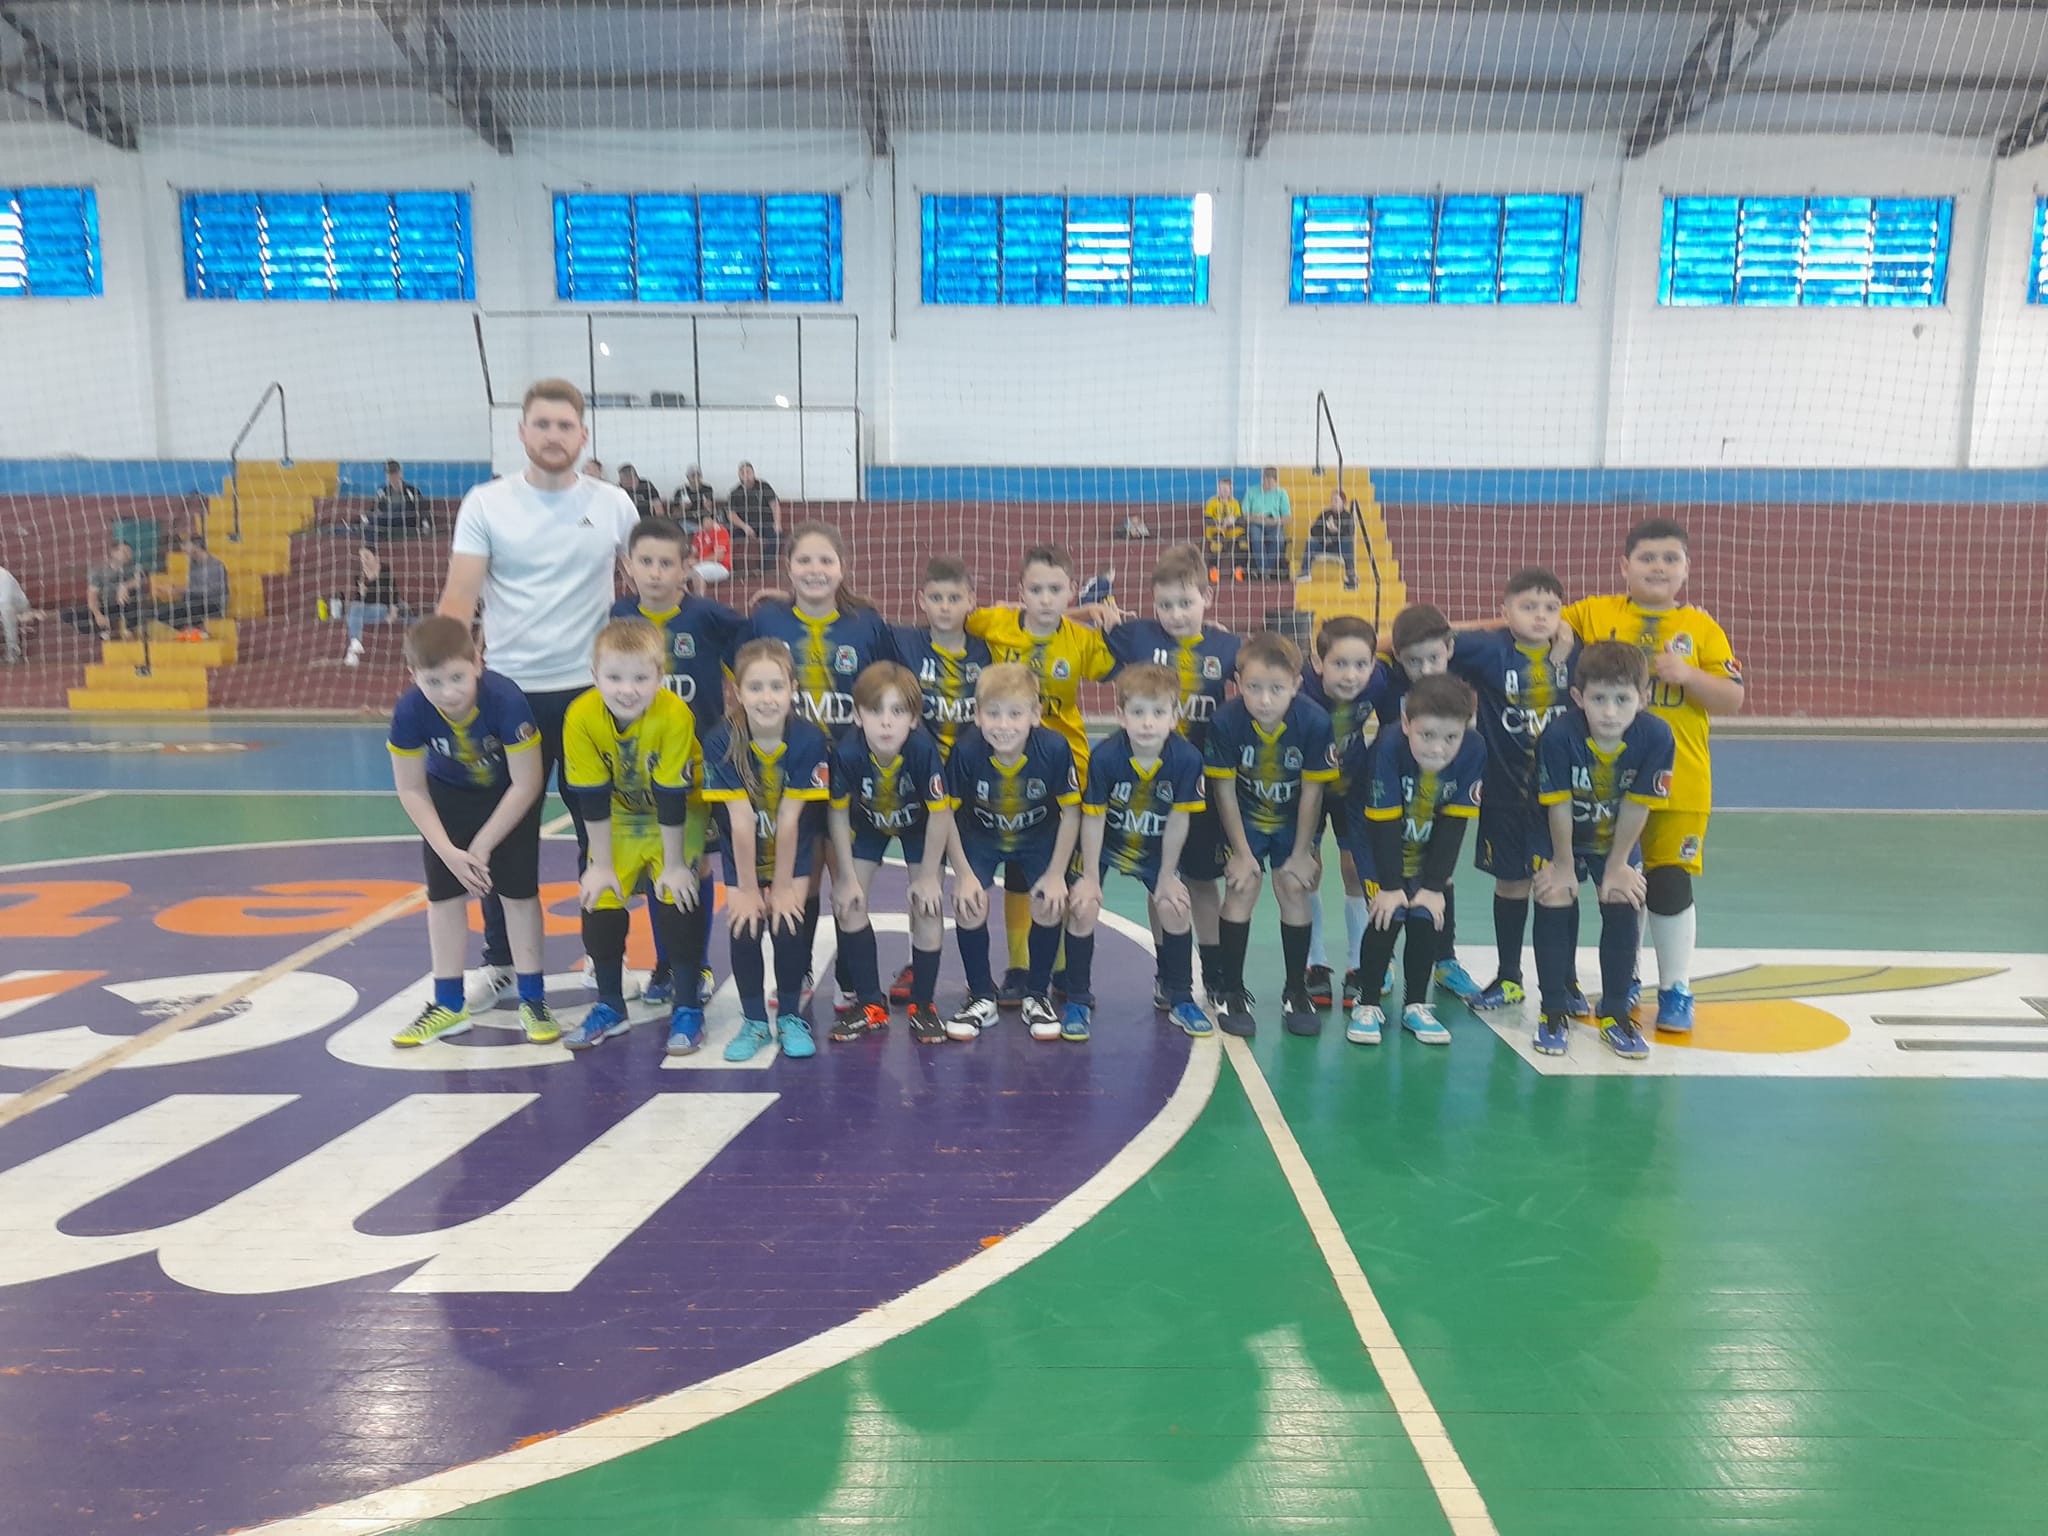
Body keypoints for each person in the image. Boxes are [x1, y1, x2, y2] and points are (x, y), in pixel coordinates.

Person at [438, 378, 640, 1014]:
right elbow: (459, 598)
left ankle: (602, 958)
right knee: (504, 837)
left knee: (600, 835)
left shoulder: (613, 504)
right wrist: (445, 684)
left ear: (584, 435)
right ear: (522, 432)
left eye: (565, 426)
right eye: (543, 424)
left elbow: (650, 588)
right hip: (507, 697)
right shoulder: (487, 503)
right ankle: (501, 960)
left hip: (592, 698)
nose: (554, 436)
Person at [1560, 517, 1743, 1033]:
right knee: (1618, 882)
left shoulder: (1702, 628)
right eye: (1646, 558)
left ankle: (1676, 988)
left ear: (1686, 568)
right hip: (1605, 783)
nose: (1658, 567)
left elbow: (1732, 698)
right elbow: (1538, 622)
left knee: (1669, 882)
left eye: (1670, 558)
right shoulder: (1595, 612)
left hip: (1680, 782)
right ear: (1624, 565)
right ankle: (1625, 979)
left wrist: (1690, 675)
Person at [742, 522, 903, 1017]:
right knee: (804, 878)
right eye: (804, 561)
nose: (815, 570)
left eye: (825, 561)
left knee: (850, 879)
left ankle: (853, 981)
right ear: (788, 567)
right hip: (792, 776)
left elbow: (888, 686)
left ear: (842, 567)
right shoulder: (767, 619)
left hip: (852, 775)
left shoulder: (866, 625)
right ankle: (801, 969)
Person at [385, 616, 558, 1048]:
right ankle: (448, 1004)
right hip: (448, 800)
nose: (449, 692)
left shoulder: (506, 700)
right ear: (414, 676)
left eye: (457, 678)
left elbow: (528, 783)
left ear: (478, 662)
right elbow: (410, 789)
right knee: (443, 898)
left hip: (507, 799)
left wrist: (482, 845)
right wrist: (447, 851)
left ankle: (533, 998)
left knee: (519, 895)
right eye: (434, 682)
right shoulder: (410, 710)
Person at [965, 543, 1116, 1004]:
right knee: (1018, 868)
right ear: (1020, 592)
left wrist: (1095, 616)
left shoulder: (1082, 640)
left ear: (1072, 590)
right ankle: (1019, 966)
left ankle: (1064, 971)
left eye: (1055, 589)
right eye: (1036, 590)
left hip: (1066, 764)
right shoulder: (995, 622)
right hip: (1008, 760)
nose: (1045, 598)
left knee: (1061, 871)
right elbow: (962, 619)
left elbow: (1113, 666)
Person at [612, 516, 746, 1007]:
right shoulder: (619, 616)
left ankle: (698, 963)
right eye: (645, 562)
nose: (655, 572)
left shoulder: (708, 617)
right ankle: (666, 963)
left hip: (697, 767)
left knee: (696, 863)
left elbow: (754, 655)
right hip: (640, 768)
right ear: (627, 566)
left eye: (666, 563)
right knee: (657, 864)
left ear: (686, 567)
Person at [1098, 544, 1239, 1005]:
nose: (1175, 613)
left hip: (1203, 787)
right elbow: (1064, 624)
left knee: (1201, 881)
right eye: (1165, 604)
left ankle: (1215, 973)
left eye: (1185, 602)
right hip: (1150, 789)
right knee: (1160, 879)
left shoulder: (1226, 647)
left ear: (1207, 598)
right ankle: (1168, 974)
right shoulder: (1136, 637)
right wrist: (1094, 610)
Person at [560, 617, 707, 1054]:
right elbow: (590, 796)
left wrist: (676, 865)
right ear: (594, 676)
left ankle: (687, 1005)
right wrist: (601, 866)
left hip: (678, 811)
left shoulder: (674, 713)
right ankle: (610, 1005)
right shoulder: (580, 716)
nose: (628, 690)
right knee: (599, 896)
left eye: (641, 678)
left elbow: (672, 794)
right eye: (615, 678)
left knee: (677, 894)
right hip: (620, 814)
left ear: (660, 676)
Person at [1532, 640, 1677, 1062]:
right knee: (1556, 893)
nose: (1610, 712)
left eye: (1622, 699)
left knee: (1621, 895)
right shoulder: (1559, 736)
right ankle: (1553, 1008)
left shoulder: (1656, 736)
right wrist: (1562, 865)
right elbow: (1558, 805)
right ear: (1578, 698)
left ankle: (1615, 1012)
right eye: (1598, 699)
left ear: (1643, 698)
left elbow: (1637, 804)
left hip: (1616, 838)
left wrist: (1617, 866)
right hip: (1558, 834)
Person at [1449, 569, 1576, 1013]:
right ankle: (1509, 977)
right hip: (1503, 794)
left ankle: (1566, 982)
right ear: (1504, 611)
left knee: (1560, 884)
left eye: (1551, 608)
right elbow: (1430, 637)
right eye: (1528, 607)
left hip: (1559, 801)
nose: (1540, 616)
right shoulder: (1490, 650)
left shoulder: (1575, 654)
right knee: (1511, 883)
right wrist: (1488, 625)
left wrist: (1568, 634)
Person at [701, 639, 834, 1063]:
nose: (767, 697)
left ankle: (791, 1016)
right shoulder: (721, 740)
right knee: (744, 925)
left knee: (788, 921)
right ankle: (755, 1021)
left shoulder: (809, 738)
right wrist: (745, 889)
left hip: (792, 854)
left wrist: (782, 886)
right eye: (755, 688)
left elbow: (791, 818)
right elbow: (740, 820)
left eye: (777, 686)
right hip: (742, 854)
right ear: (737, 692)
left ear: (793, 688)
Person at [1202, 631, 1339, 1038]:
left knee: (1294, 887)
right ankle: (1231, 989)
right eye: (1254, 688)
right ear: (1238, 683)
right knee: (1242, 886)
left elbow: (1313, 792)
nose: (1264, 700)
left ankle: (1296, 990)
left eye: (1276, 689)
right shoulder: (1226, 721)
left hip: (1292, 820)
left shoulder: (1314, 721)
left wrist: (1302, 852)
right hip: (1244, 818)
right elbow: (1224, 789)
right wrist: (1241, 852)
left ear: (1296, 684)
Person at [1066, 663, 1211, 1041]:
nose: (1148, 722)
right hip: (1107, 845)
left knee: (1174, 905)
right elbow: (1093, 819)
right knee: (1083, 905)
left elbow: (1179, 820)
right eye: (1138, 712)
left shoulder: (1187, 759)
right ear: (1121, 715)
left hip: (1154, 848)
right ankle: (1076, 997)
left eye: (1158, 712)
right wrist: (1090, 877)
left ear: (1174, 717)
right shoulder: (1105, 757)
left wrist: (1167, 876)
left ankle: (1179, 996)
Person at [942, 663, 1082, 1042]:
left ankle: (1037, 995)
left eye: (1015, 714)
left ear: (1035, 715)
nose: (1003, 725)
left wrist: (1056, 874)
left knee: (1049, 902)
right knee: (969, 902)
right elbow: (945, 814)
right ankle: (981, 997)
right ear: (977, 715)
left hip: (1038, 836)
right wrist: (963, 874)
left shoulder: (1054, 749)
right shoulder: (967, 750)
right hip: (981, 836)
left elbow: (1071, 814)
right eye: (993, 713)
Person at [1347, 673, 1487, 1047]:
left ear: (1466, 728)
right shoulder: (1388, 746)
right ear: (1406, 723)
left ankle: (1416, 1006)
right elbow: (1383, 823)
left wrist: (1433, 886)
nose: (1438, 749)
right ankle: (1368, 1003)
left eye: (1450, 738)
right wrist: (1391, 886)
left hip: (1428, 834)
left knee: (1426, 913)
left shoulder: (1474, 749)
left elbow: (1455, 822)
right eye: (1427, 735)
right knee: (1388, 913)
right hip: (1377, 837)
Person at [826, 662, 954, 1043]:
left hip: (918, 826)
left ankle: (923, 1005)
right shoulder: (847, 752)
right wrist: (845, 878)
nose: (885, 722)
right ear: (857, 715)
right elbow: (837, 814)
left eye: (897, 711)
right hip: (868, 823)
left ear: (913, 719)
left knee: (928, 905)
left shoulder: (922, 750)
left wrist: (928, 876)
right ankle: (870, 1004)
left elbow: (940, 813)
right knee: (848, 902)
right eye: (875, 710)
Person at [1378, 602, 1478, 1003]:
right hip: (1391, 788)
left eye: (1433, 658)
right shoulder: (1386, 681)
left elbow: (1498, 633)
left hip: (1443, 793)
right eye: (1413, 661)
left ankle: (1445, 959)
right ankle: (1382, 958)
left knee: (1440, 872)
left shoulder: (1464, 681)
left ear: (1450, 648)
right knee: (1384, 872)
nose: (1425, 669)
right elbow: (1368, 647)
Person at [1301, 615, 1394, 1008]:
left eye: (1360, 664)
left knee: (1356, 868)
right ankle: (1314, 961)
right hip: (1306, 786)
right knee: (1308, 868)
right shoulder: (1300, 688)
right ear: (1318, 662)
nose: (1350, 674)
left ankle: (1359, 963)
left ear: (1372, 665)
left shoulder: (1379, 682)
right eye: (1339, 663)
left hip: (1353, 784)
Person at [153, 535, 228, 634]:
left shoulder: (215, 565)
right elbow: (192, 587)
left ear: (197, 547)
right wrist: (173, 588)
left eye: (186, 546)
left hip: (213, 604)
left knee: (192, 601)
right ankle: (193, 630)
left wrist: (179, 590)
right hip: (194, 601)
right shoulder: (193, 564)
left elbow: (210, 591)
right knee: (162, 611)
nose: (183, 549)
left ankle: (199, 630)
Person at [343, 545, 399, 667]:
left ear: (375, 557)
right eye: (362, 558)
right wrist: (361, 593)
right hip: (365, 610)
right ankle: (354, 647)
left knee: (352, 614)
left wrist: (393, 612)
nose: (364, 560)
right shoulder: (360, 576)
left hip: (382, 608)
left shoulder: (385, 570)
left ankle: (354, 645)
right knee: (353, 612)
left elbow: (394, 592)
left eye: (367, 557)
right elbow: (358, 601)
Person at [1295, 487, 1359, 591]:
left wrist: (1335, 532)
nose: (1333, 503)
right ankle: (1305, 572)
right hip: (1324, 544)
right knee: (1311, 542)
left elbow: (1349, 533)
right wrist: (1324, 538)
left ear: (1343, 503)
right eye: (1332, 500)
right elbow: (1313, 530)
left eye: (1336, 500)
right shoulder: (1325, 514)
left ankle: (1350, 574)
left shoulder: (1347, 517)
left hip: (1338, 547)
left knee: (1348, 542)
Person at [727, 461, 782, 573]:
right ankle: (731, 569)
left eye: (748, 472)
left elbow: (775, 505)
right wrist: (744, 527)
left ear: (753, 473)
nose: (745, 475)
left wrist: (777, 523)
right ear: (739, 475)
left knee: (778, 537)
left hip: (765, 524)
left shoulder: (764, 486)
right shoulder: (735, 492)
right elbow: (731, 514)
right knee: (725, 537)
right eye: (742, 473)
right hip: (745, 526)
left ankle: (763, 569)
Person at [86, 537, 144, 641]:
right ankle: (106, 631)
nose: (128, 555)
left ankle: (129, 630)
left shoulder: (134, 567)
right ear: (113, 552)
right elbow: (92, 594)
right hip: (107, 605)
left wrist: (124, 586)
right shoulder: (98, 571)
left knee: (134, 597)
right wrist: (97, 614)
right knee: (73, 614)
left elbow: (139, 580)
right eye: (124, 551)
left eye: (129, 552)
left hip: (126, 604)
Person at [1242, 467, 1291, 580]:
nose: (1267, 485)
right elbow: (1244, 515)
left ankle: (1264, 570)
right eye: (1265, 481)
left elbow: (1287, 518)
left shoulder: (1281, 493)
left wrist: (1275, 521)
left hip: (1274, 523)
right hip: (1255, 523)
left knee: (1279, 540)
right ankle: (1266, 571)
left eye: (1270, 482)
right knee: (1255, 537)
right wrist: (1257, 517)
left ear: (1276, 481)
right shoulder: (1251, 492)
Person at [367, 460, 427, 543]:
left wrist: (424, 522)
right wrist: (377, 512)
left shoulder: (412, 490)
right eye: (390, 473)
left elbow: (422, 509)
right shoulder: (382, 492)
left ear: (400, 473)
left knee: (397, 509)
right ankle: (369, 547)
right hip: (388, 520)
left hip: (407, 520)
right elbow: (374, 509)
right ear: (386, 475)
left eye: (394, 473)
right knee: (374, 520)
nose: (392, 476)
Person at [1202, 475, 1244, 582]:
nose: (1224, 491)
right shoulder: (1212, 502)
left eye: (1226, 489)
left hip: (1230, 530)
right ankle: (1213, 570)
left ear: (1230, 490)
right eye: (1221, 489)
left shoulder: (1234, 503)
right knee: (1218, 543)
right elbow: (1207, 518)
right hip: (1216, 530)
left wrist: (1232, 521)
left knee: (1240, 543)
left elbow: (1239, 518)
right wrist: (1218, 524)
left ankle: (1238, 570)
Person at [0, 564, 36, 663]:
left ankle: (13, 651)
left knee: (6, 610)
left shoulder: (2, 576)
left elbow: (5, 600)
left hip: (19, 608)